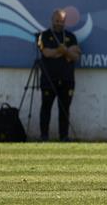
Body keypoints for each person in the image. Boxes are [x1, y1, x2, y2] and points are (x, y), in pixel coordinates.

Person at [38, 9, 81, 141]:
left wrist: (65, 51)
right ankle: (44, 136)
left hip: (67, 79)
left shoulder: (71, 36)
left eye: (62, 21)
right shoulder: (44, 35)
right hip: (49, 79)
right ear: (52, 20)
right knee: (46, 107)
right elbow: (46, 53)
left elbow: (75, 56)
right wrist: (60, 51)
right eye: (57, 21)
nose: (59, 23)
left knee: (64, 109)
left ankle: (64, 136)